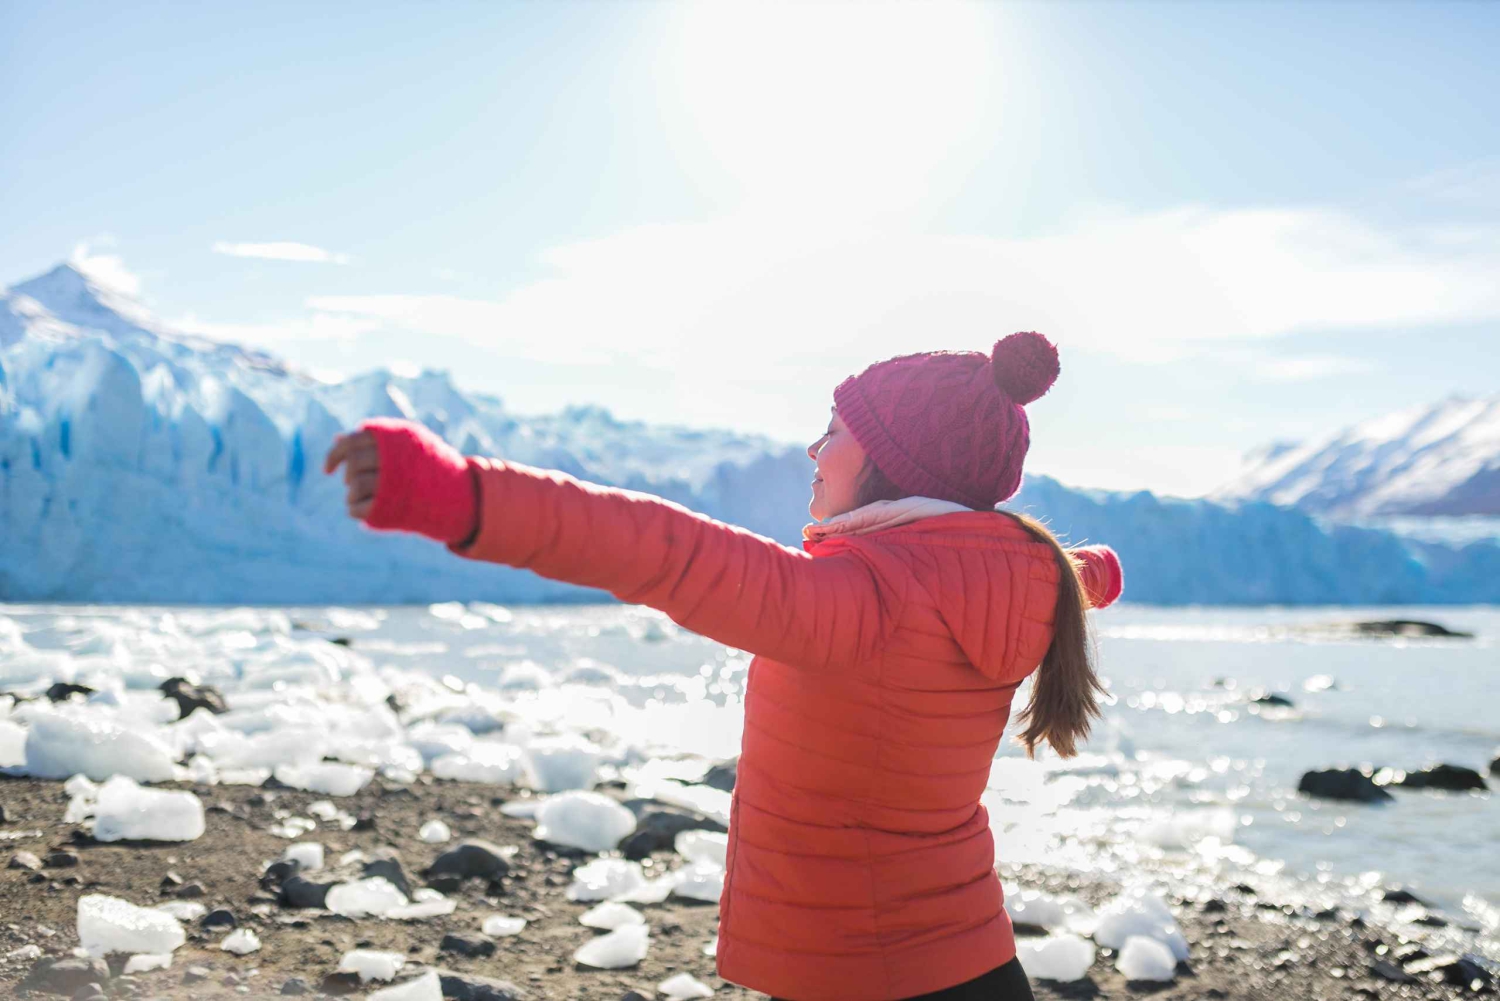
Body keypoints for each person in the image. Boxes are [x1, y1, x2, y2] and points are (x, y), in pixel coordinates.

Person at [324, 331, 1123, 1001]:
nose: (815, 447)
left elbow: (664, 552)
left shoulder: (852, 601)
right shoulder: (1027, 581)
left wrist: (457, 494)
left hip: (857, 972)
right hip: (972, 959)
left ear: (895, 461)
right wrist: (1100, 572)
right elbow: (1077, 574)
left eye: (838, 430)